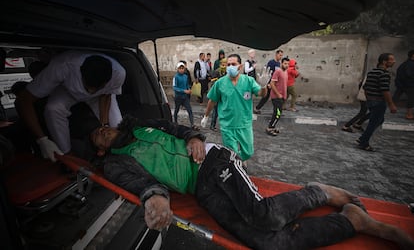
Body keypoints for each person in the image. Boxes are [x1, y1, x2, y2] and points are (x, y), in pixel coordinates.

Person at [90, 116, 414, 250]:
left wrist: (193, 136)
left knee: (266, 215)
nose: (103, 129)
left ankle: (320, 191)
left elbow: (177, 127)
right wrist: (155, 198)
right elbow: (139, 183)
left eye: (104, 125)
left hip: (214, 161)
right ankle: (350, 222)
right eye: (97, 134)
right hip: (199, 190)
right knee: (266, 243)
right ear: (101, 149)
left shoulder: (139, 125)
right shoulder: (115, 162)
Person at [15, 50, 126, 161]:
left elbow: (106, 96)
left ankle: (123, 155)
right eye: (87, 87)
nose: (90, 92)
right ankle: (68, 155)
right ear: (81, 71)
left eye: (96, 88)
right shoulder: (62, 66)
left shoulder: (119, 74)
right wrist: (41, 139)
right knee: (53, 109)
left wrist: (104, 124)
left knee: (119, 128)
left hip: (100, 97)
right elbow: (24, 100)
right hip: (68, 92)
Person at [200, 54, 269, 161]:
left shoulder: (248, 81)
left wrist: (264, 87)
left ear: (240, 66)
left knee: (248, 152)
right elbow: (212, 100)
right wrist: (206, 116)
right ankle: (237, 168)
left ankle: (240, 162)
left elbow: (262, 94)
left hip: (244, 124)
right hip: (227, 125)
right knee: (232, 154)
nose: (230, 67)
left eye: (233, 64)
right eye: (228, 65)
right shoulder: (220, 83)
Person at [357, 53, 397, 151]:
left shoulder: (371, 72)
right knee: (373, 123)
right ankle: (363, 143)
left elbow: (365, 87)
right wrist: (391, 104)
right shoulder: (384, 74)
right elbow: (385, 90)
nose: (394, 61)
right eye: (391, 60)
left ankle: (363, 138)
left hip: (371, 101)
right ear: (384, 62)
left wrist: (369, 99)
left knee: (379, 120)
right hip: (378, 102)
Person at [254, 49, 284, 114]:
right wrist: (268, 83)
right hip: (270, 83)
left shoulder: (279, 64)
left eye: (282, 55)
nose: (281, 57)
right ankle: (257, 108)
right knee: (266, 97)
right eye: (280, 55)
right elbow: (268, 73)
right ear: (276, 54)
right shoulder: (271, 62)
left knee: (275, 98)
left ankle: (277, 111)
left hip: (275, 84)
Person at [266, 57, 289, 136]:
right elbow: (272, 84)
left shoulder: (285, 72)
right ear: (281, 63)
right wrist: (278, 94)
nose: (287, 65)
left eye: (288, 64)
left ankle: (272, 126)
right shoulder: (278, 71)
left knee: (277, 113)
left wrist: (284, 96)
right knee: (278, 113)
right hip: (276, 97)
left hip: (282, 97)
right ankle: (270, 128)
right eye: (285, 63)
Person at [173, 62, 197, 130]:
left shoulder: (185, 76)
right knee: (176, 110)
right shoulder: (176, 77)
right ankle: (175, 122)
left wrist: (189, 89)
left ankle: (192, 124)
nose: (181, 70)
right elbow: (175, 87)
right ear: (177, 69)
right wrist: (184, 91)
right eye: (180, 68)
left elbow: (187, 85)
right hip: (178, 97)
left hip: (185, 97)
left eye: (182, 68)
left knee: (190, 110)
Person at [393, 50, 414, 120]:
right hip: (408, 85)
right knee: (411, 99)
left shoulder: (405, 63)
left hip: (401, 84)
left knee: (396, 96)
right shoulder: (411, 64)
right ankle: (409, 114)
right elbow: (409, 74)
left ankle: (389, 108)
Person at [209, 58, 227, 131]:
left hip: (224, 95)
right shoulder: (216, 72)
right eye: (223, 63)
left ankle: (224, 126)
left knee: (224, 111)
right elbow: (213, 83)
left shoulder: (227, 73)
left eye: (225, 64)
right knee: (215, 111)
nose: (224, 65)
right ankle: (212, 125)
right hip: (217, 94)